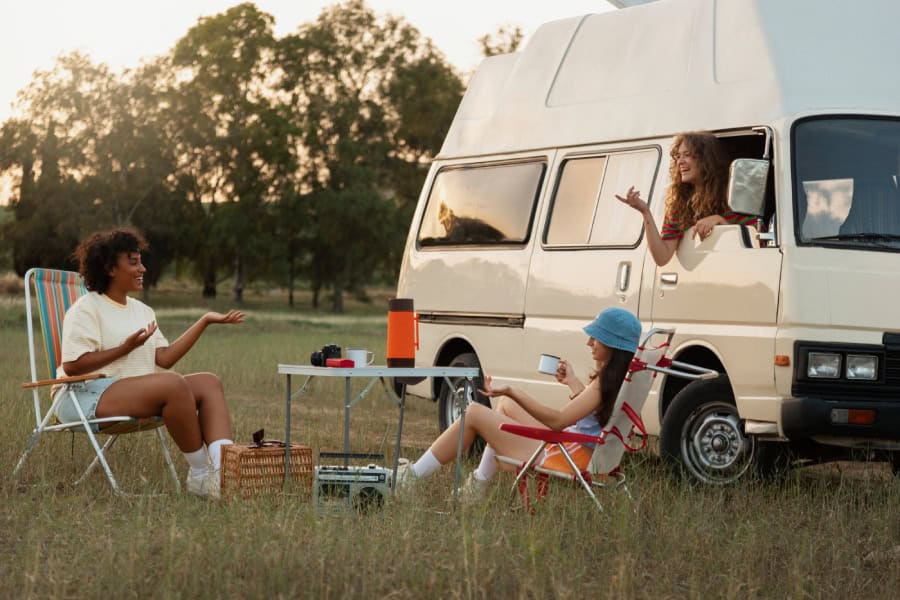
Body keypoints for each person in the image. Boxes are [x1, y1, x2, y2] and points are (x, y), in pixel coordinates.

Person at [54, 228, 244, 499]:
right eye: (133, 262)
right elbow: (72, 366)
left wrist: (204, 321)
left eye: (141, 261)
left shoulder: (142, 311)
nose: (142, 268)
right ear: (109, 268)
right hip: (82, 397)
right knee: (173, 384)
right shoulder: (86, 308)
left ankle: (224, 471)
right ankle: (202, 475)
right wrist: (124, 349)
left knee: (208, 382)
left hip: (129, 392)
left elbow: (164, 358)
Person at [394, 307, 641, 501]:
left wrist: (513, 391)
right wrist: (573, 382)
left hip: (568, 456)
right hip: (584, 450)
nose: (589, 343)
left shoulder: (604, 382)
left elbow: (557, 421)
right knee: (504, 407)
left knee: (474, 412)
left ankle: (413, 479)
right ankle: (476, 488)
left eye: (596, 338)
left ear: (613, 344)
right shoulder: (621, 379)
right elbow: (597, 416)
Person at [616, 131, 760, 266]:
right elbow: (662, 257)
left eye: (687, 155)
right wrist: (645, 211)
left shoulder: (731, 196)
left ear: (706, 160)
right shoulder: (679, 204)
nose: (680, 162)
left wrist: (720, 221)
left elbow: (758, 238)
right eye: (678, 156)